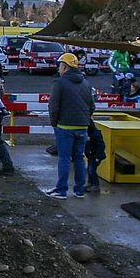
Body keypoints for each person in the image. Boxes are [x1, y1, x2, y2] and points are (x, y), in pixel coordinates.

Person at [44, 52, 95, 200]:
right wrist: (85, 120)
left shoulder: (59, 83)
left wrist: (54, 123)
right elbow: (92, 106)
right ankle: (79, 190)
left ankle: (61, 190)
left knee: (64, 159)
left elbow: (53, 106)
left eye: (60, 65)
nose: (59, 68)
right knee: (79, 158)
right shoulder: (85, 83)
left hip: (65, 127)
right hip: (82, 127)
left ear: (64, 67)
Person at [84, 121, 106, 194]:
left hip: (95, 156)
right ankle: (91, 183)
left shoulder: (94, 135)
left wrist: (98, 156)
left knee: (91, 170)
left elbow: (101, 146)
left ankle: (95, 185)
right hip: (92, 155)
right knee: (90, 170)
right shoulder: (93, 134)